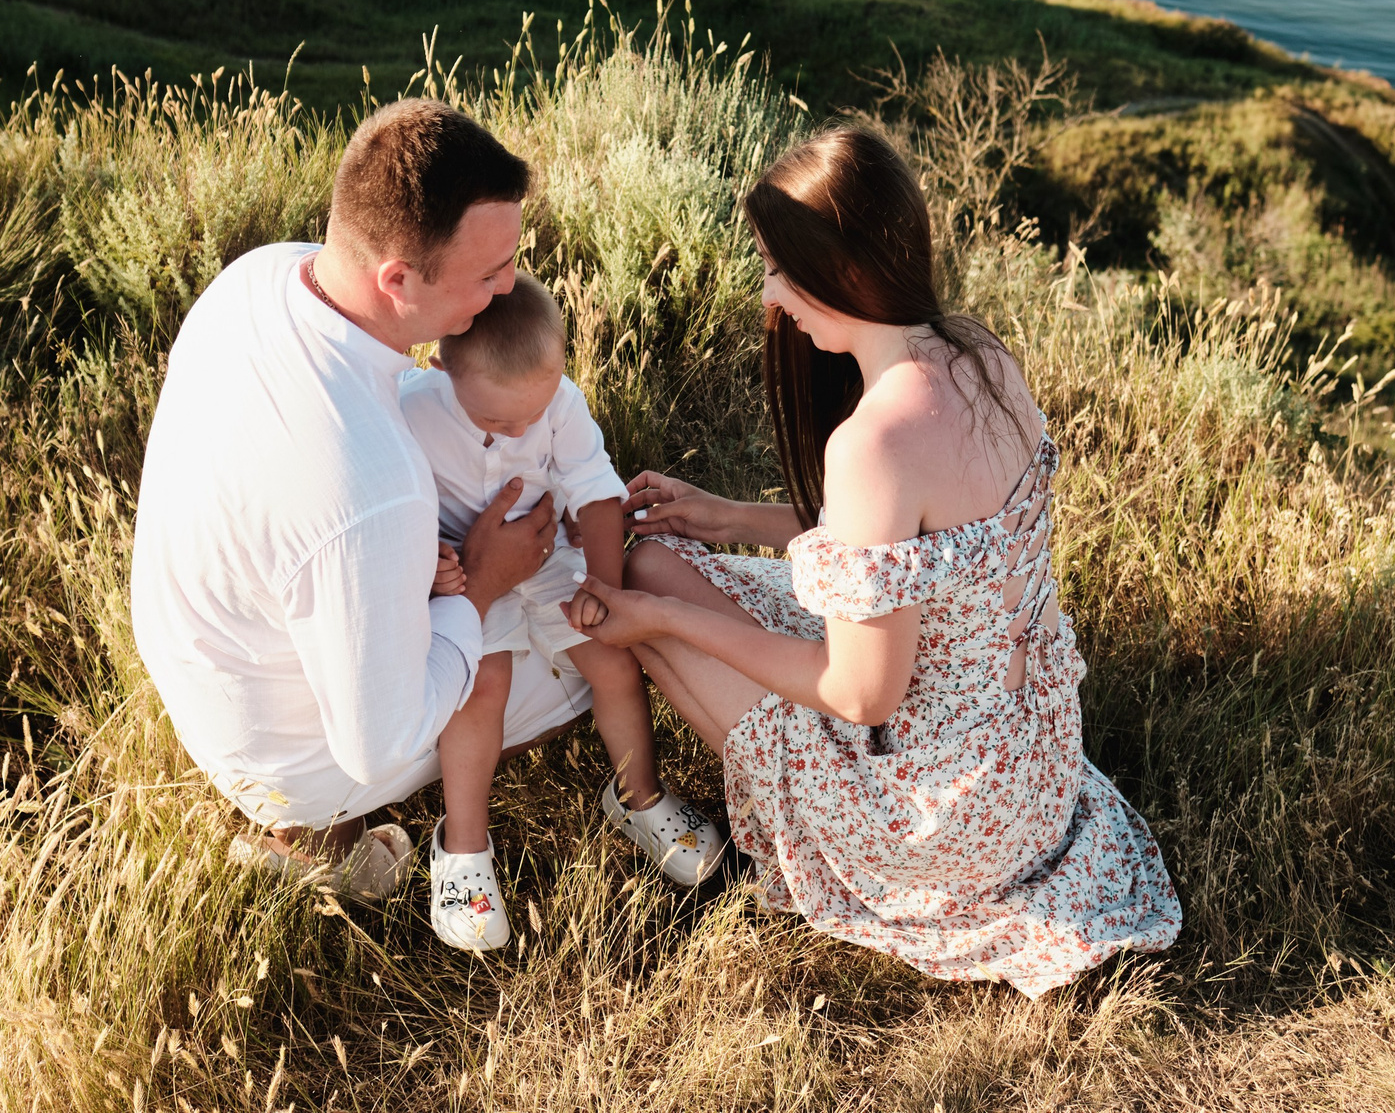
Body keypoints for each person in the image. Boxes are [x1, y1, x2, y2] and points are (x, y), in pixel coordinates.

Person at [568, 126, 1181, 995]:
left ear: (843, 271)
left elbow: (862, 693)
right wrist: (728, 516)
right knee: (668, 558)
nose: (772, 292)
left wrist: (661, 622)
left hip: (942, 814)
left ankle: (677, 811)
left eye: (780, 268)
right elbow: (916, 549)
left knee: (649, 582)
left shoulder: (876, 439)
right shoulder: (979, 354)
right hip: (1034, 760)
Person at [128, 99, 576, 895]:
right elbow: (381, 740)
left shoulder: (258, 276)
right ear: (398, 278)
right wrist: (484, 580)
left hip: (205, 671)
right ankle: (322, 837)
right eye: (488, 272)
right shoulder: (373, 486)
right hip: (293, 759)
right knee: (585, 654)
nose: (510, 290)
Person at [400, 275, 722, 952]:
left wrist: (604, 590)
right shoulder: (412, 410)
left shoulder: (561, 404)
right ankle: (463, 852)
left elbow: (595, 494)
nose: (521, 430)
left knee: (612, 657)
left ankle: (640, 796)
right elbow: (398, 506)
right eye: (498, 422)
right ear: (442, 366)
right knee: (478, 683)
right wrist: (430, 559)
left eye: (533, 413)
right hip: (467, 570)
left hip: (546, 557)